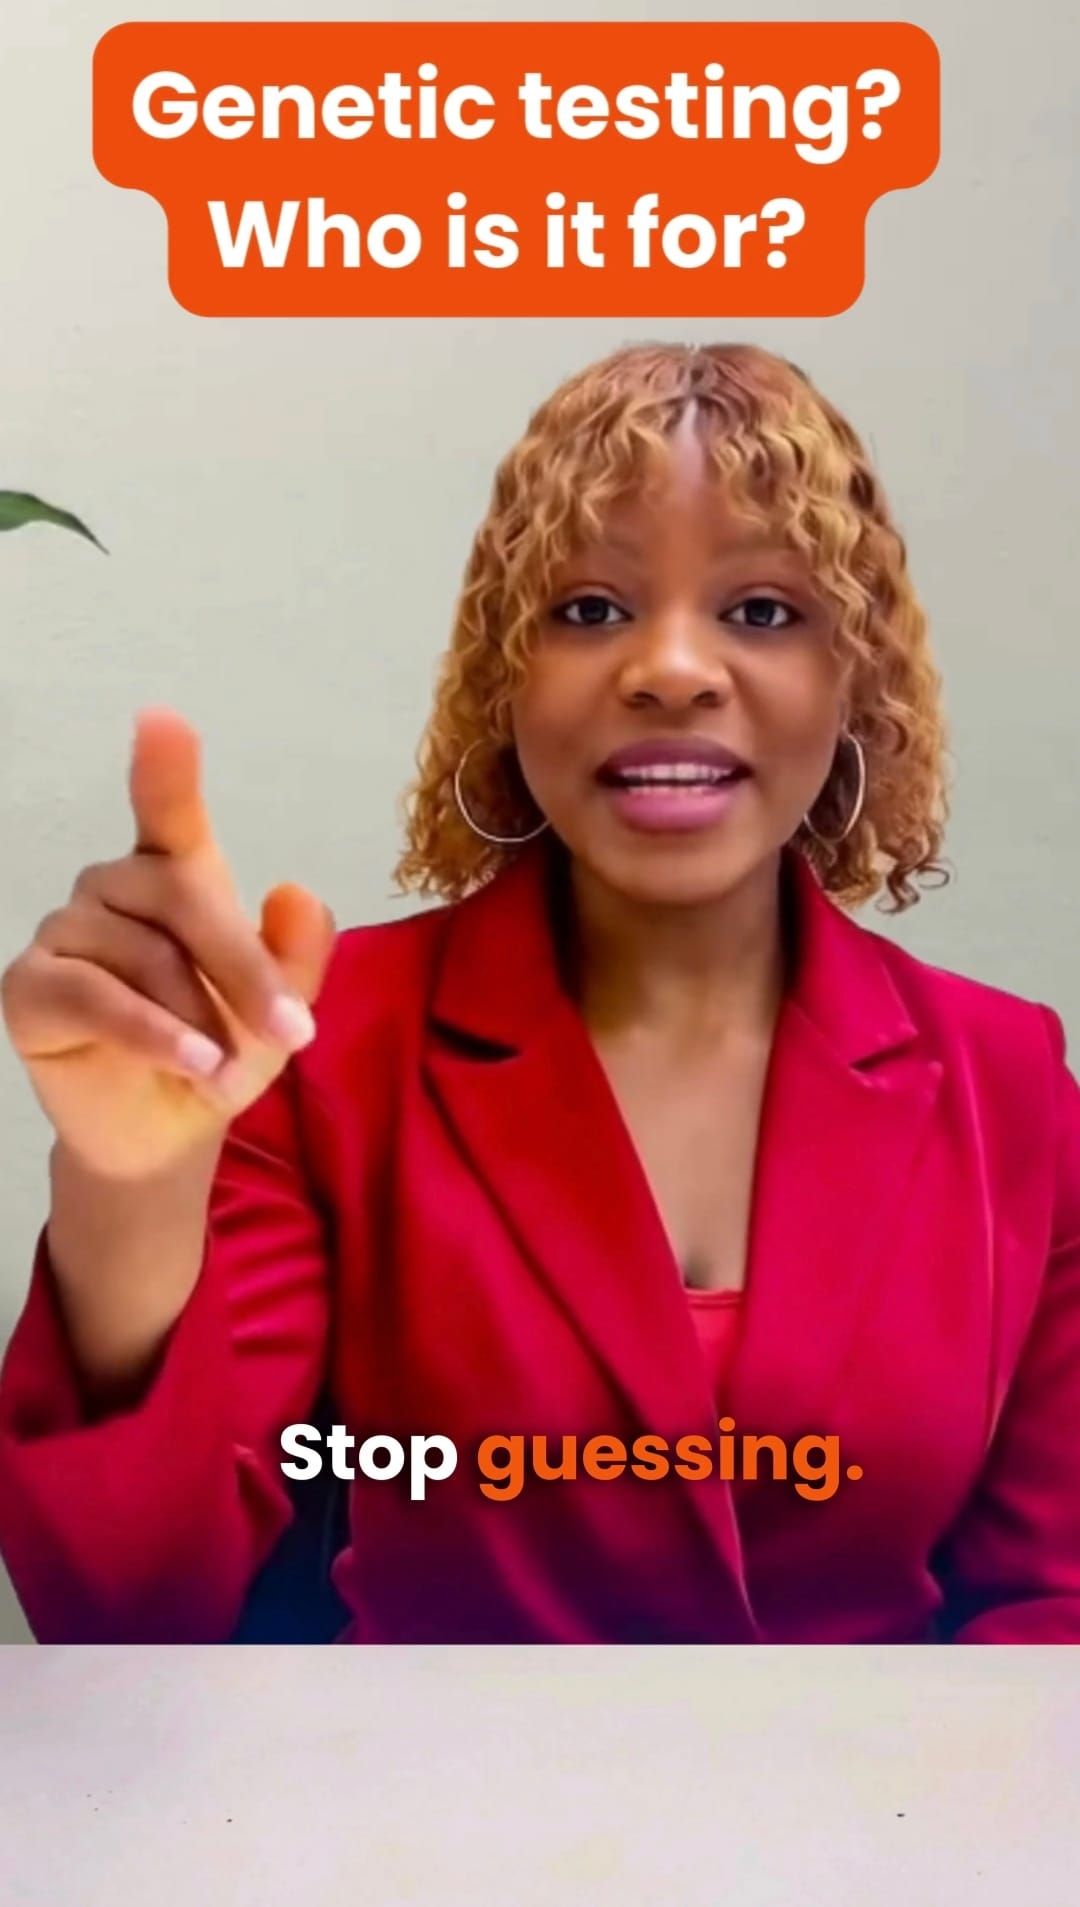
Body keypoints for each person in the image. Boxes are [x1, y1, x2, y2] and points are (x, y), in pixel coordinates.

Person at [1, 340, 1078, 1644]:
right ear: (504, 685)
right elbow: (127, 1619)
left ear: (856, 684)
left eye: (762, 611)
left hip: (888, 1833)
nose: (672, 669)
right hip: (421, 1830)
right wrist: (126, 1192)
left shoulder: (1006, 1079)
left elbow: (1053, 1613)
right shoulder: (327, 1053)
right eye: (587, 609)